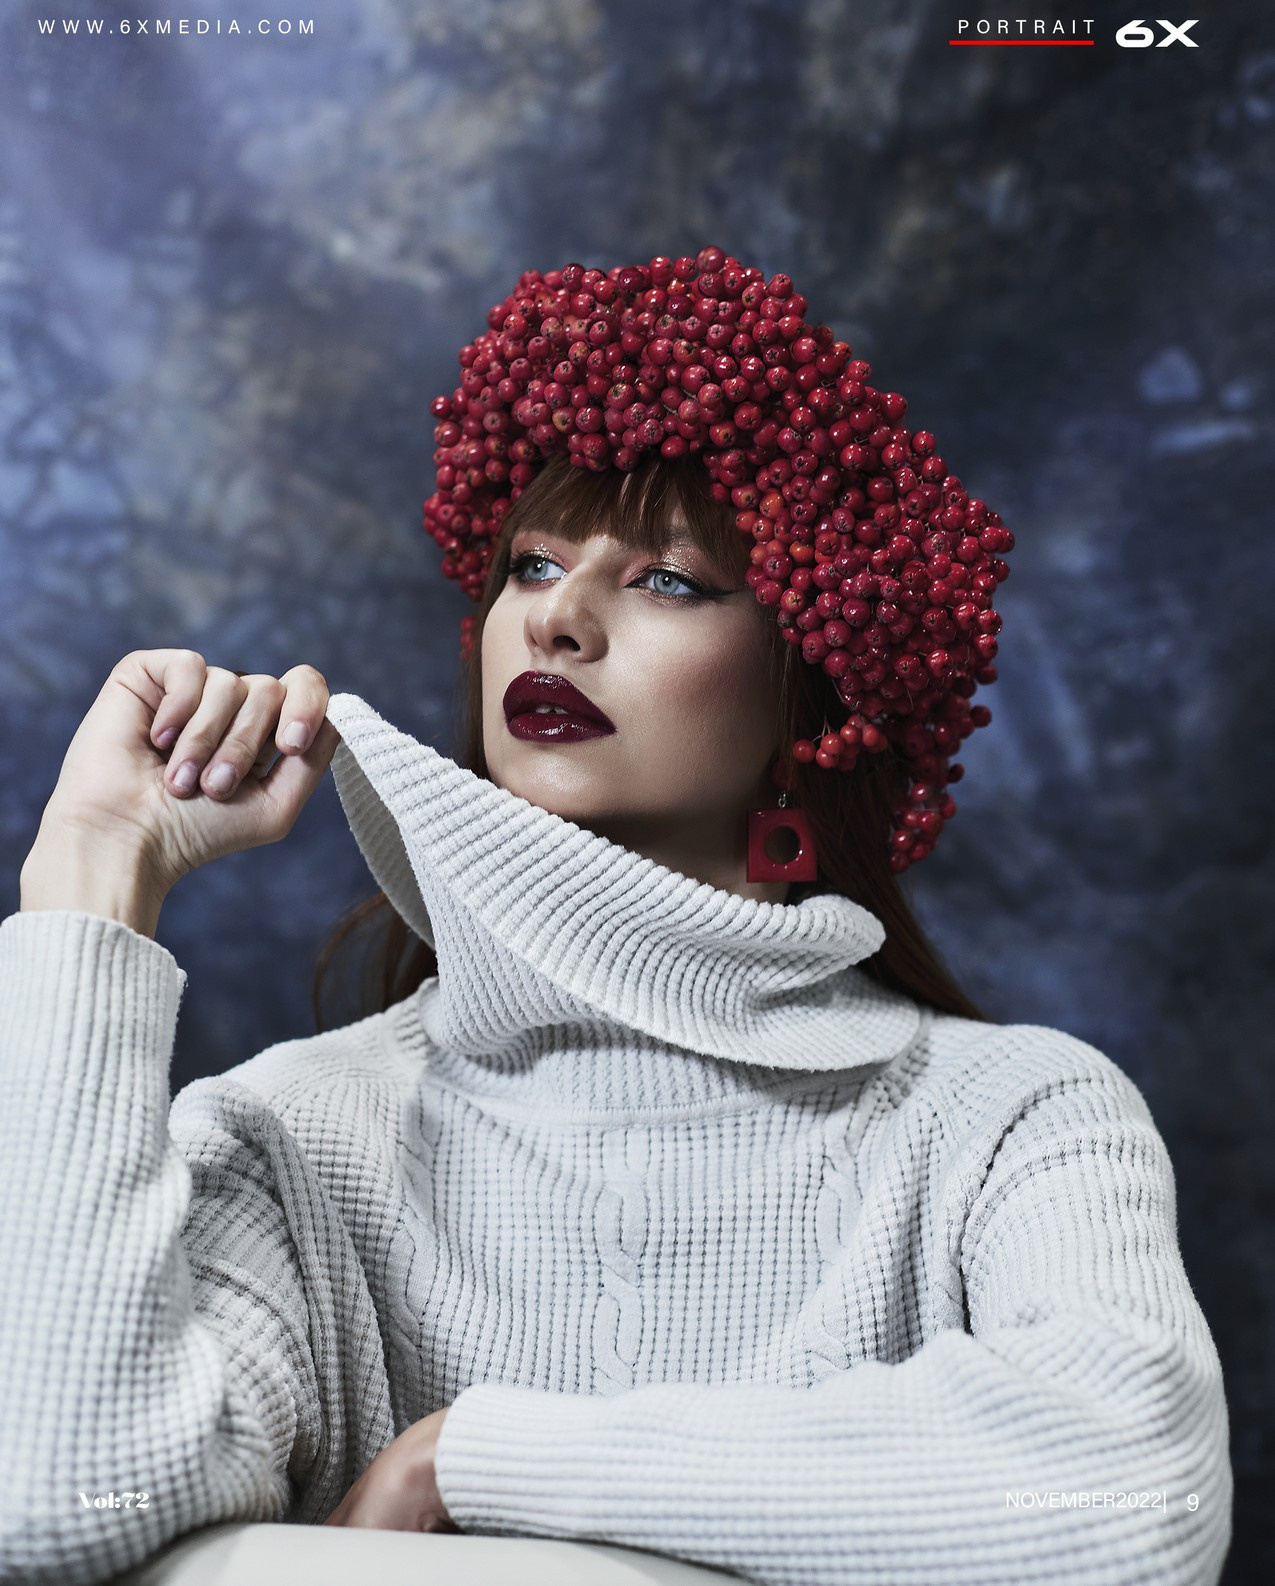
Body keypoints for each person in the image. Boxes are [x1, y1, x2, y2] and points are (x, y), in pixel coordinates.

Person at [0, 252, 1231, 1586]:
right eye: (530, 563)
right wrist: (89, 879)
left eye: (669, 582)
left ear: (814, 692)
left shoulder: (1011, 1119)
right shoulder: (293, 1133)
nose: (558, 619)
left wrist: (473, 1456)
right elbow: (55, 1498)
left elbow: (1135, 1501)